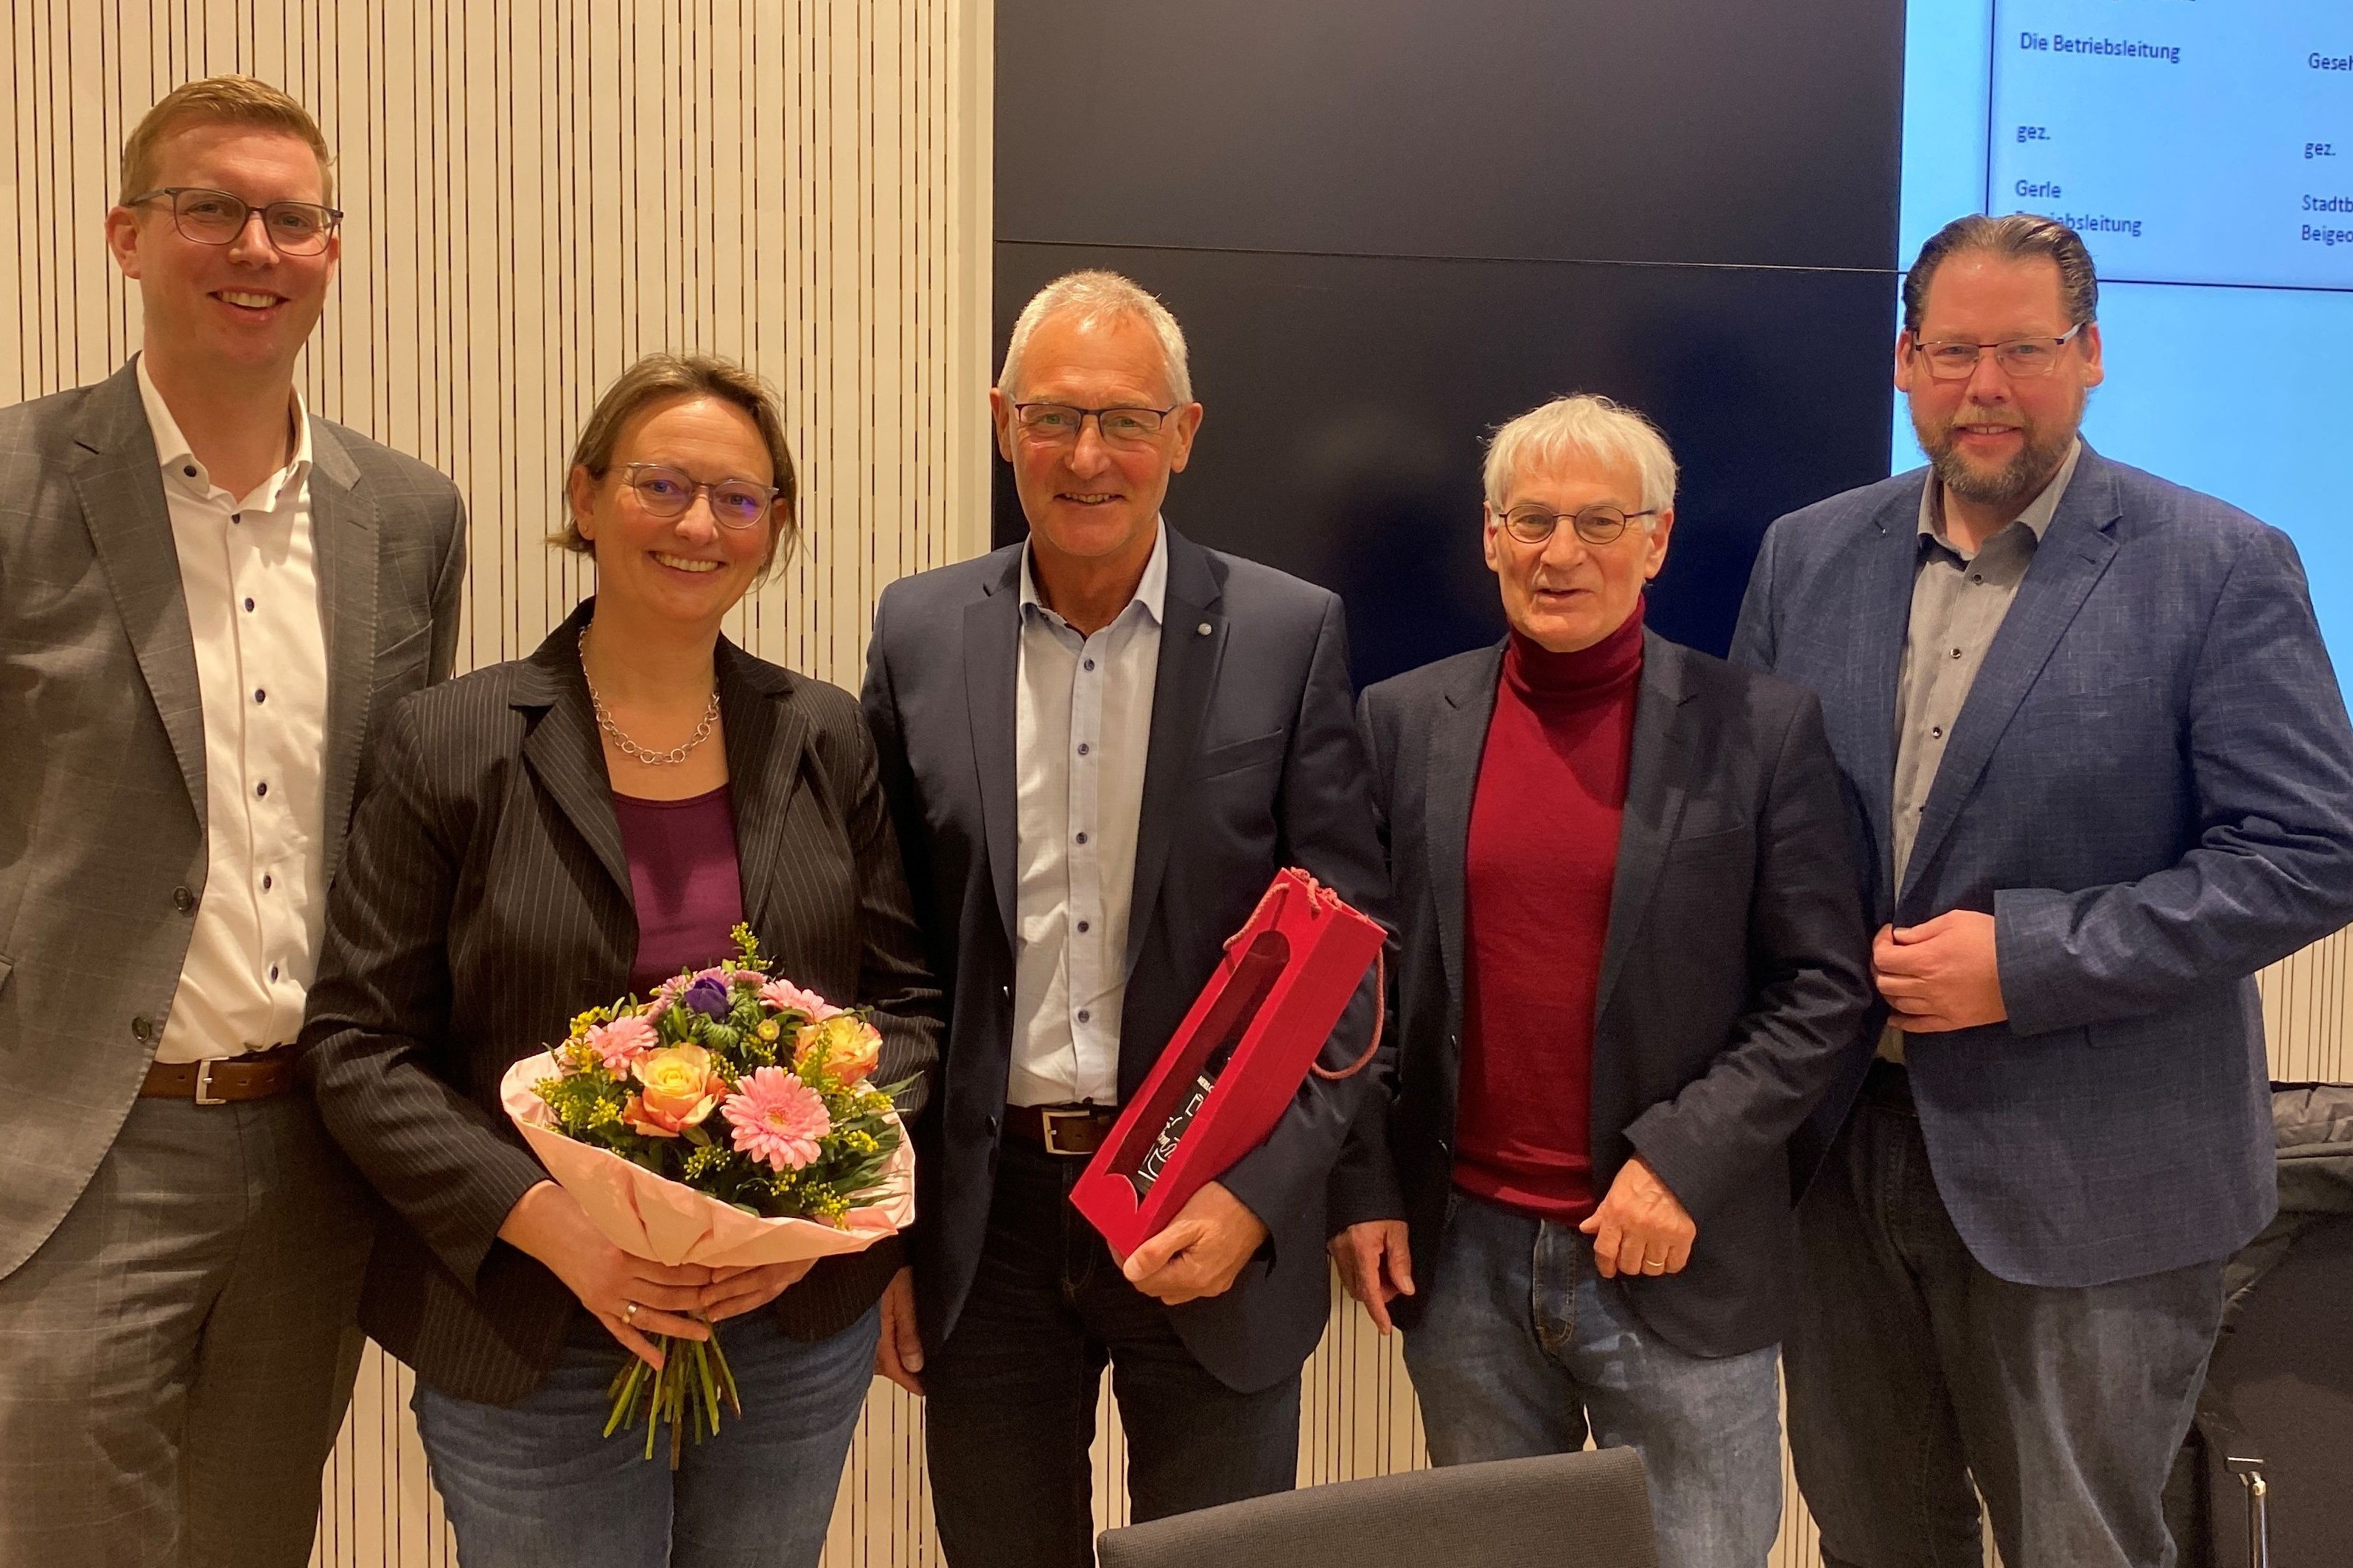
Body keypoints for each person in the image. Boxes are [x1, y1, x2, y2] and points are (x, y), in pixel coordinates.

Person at [1730, 212, 2353, 1568]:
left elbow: (2310, 850)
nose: (1986, 387)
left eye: (2024, 349)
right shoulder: (1804, 556)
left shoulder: (2218, 564)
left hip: (2099, 1179)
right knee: (1872, 1540)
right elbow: (1752, 837)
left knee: (2082, 1548)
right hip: (1838, 1162)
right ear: (1904, 361)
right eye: (1953, 351)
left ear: (2089, 355)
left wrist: (2025, 962)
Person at [296, 354, 942, 1567]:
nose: (698, 526)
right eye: (661, 485)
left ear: (774, 527)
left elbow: (901, 1009)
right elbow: (358, 1045)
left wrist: (794, 1219)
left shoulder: (824, 736)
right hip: (531, 1320)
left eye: (737, 499)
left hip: (786, 1327)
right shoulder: (451, 740)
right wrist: (561, 1229)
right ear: (585, 498)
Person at [0, 76, 468, 1567]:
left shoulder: (408, 516)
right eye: (211, 208)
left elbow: (403, 840)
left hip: (312, 1156)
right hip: (75, 1152)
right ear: (127, 236)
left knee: (257, 1539)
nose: (255, 248)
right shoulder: (12, 483)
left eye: (291, 218)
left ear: (331, 249)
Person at [860, 270, 1388, 1566]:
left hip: (1207, 1207)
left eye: (1124, 421)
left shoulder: (1286, 631)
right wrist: (878, 1231)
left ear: (1183, 434)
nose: (1086, 455)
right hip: (986, 1223)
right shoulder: (919, 630)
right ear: (1003, 424)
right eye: (1052, 416)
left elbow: (1350, 967)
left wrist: (1261, 1196)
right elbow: (883, 952)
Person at [1326, 395, 1871, 1567]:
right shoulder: (1402, 722)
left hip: (1677, 1254)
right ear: (1490, 536)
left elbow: (1823, 987)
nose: (1559, 552)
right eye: (1531, 520)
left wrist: (1679, 1164)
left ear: (1655, 541)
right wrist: (1363, 1186)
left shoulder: (1762, 730)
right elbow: (1361, 988)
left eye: (1598, 522)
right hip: (1462, 1263)